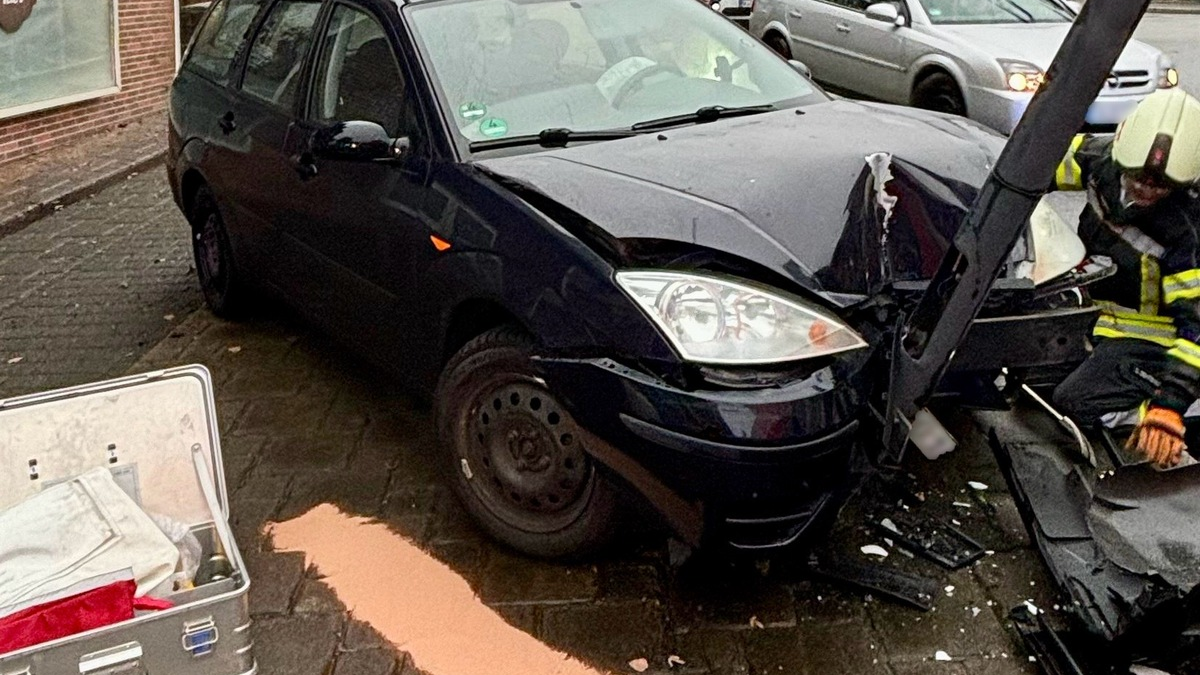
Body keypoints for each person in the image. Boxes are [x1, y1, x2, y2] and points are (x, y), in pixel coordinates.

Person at [1051, 88, 1200, 469]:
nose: (1145, 189)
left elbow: (1197, 326)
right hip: (1097, 317)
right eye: (1137, 177)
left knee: (1076, 401)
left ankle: (1163, 429)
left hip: (1160, 343)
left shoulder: (1188, 228)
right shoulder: (1098, 159)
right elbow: (1034, 165)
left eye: (1161, 185)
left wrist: (1170, 405)